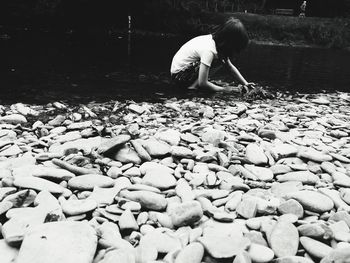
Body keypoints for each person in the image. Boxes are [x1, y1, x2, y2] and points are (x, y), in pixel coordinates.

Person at [170, 17, 254, 93]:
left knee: (221, 59)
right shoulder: (209, 50)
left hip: (185, 72)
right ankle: (192, 88)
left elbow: (230, 67)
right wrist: (225, 89)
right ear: (229, 43)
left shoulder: (217, 44)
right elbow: (202, 83)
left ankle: (194, 84)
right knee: (217, 61)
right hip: (179, 76)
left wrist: (246, 83)